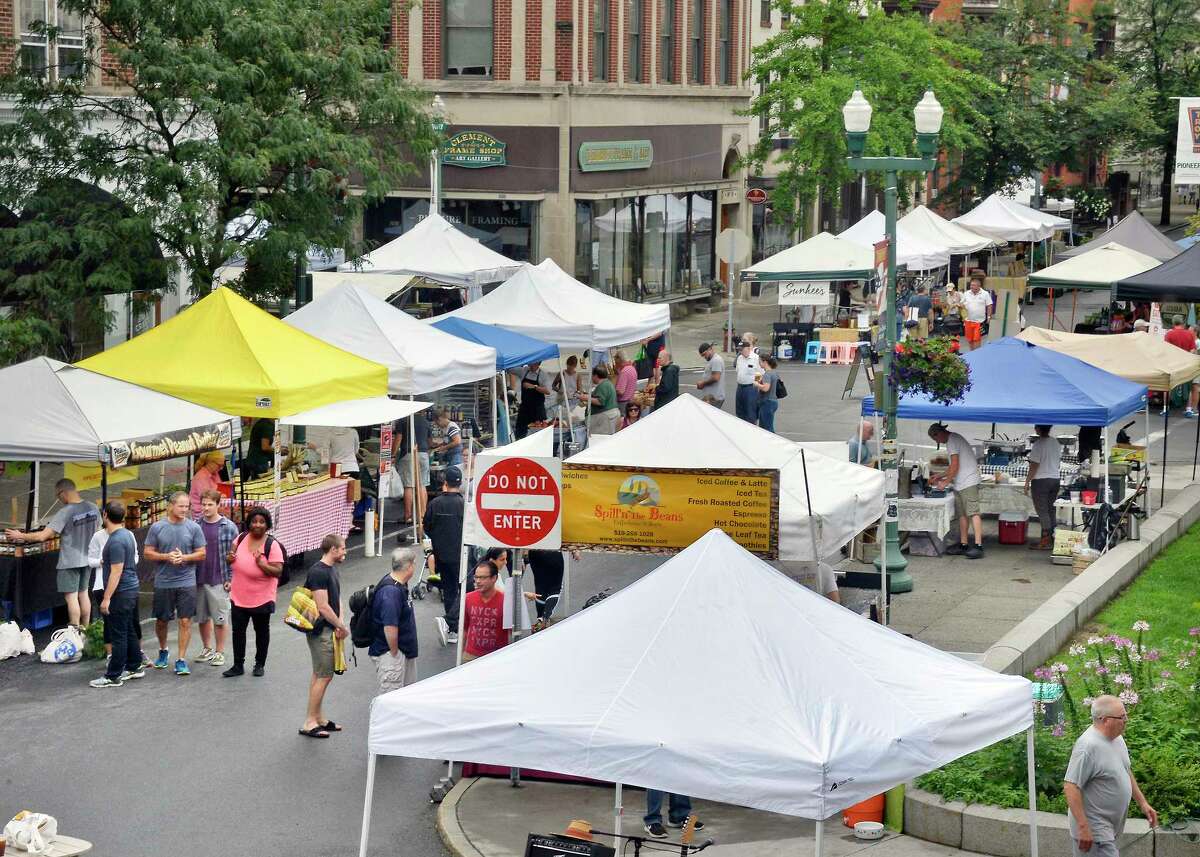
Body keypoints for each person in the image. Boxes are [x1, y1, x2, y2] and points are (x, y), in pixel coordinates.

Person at [1064, 695, 1157, 857]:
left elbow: (1125, 770)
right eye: (1122, 717)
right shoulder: (1087, 747)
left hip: (1110, 827)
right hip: (1094, 829)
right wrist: (1083, 827)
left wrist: (1143, 803)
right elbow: (1070, 786)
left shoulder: (1117, 739)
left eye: (1125, 714)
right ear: (1105, 720)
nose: (1126, 719)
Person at [5, 478, 99, 630]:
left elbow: (42, 536)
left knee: (72, 597)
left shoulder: (66, 512)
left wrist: (20, 535)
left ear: (63, 493)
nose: (59, 499)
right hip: (87, 558)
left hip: (69, 562)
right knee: (84, 593)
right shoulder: (93, 507)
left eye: (58, 496)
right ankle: (86, 630)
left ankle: (74, 632)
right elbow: (98, 531)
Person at [145, 491, 206, 674]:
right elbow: (148, 552)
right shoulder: (157, 527)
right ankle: (163, 650)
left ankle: (181, 659)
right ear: (170, 506)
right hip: (164, 582)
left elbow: (202, 553)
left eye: (187, 506)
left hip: (187, 581)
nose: (184, 510)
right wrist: (166, 557)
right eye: (181, 506)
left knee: (185, 621)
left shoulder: (194, 528)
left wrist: (184, 558)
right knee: (162, 620)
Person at [222, 506, 285, 677]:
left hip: (262, 597)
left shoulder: (272, 545)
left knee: (261, 630)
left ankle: (259, 664)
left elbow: (278, 571)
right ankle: (238, 665)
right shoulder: (241, 538)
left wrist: (262, 565)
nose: (257, 525)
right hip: (239, 595)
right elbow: (230, 556)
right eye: (254, 521)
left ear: (267, 525)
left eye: (261, 522)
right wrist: (229, 558)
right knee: (238, 631)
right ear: (249, 523)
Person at [89, 501, 145, 688]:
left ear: (105, 515)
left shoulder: (116, 540)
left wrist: (106, 598)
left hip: (120, 593)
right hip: (130, 590)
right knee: (128, 629)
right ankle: (135, 666)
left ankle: (113, 675)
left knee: (118, 634)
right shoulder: (127, 535)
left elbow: (116, 571)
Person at [299, 534, 349, 738]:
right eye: (343, 548)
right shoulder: (318, 572)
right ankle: (310, 721)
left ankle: (318, 717)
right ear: (333, 549)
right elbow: (323, 607)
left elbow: (337, 600)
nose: (345, 551)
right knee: (324, 675)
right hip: (321, 632)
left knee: (319, 674)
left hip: (330, 628)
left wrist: (340, 622)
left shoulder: (331, 570)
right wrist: (341, 626)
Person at [193, 490, 239, 667]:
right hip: (199, 578)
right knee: (202, 617)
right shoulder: (196, 525)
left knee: (220, 617)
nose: (206, 508)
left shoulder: (228, 527)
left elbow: (234, 555)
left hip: (219, 578)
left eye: (210, 504)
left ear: (218, 505)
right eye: (203, 504)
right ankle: (207, 648)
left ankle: (220, 651)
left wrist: (231, 577)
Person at [927, 423, 984, 559]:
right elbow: (954, 467)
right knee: (962, 515)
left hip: (968, 481)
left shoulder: (952, 441)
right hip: (961, 482)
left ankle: (978, 546)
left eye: (935, 439)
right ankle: (963, 544)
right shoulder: (953, 439)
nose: (937, 442)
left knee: (973, 512)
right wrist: (940, 476)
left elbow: (955, 465)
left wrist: (945, 482)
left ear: (938, 434)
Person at [423, 465, 465, 645]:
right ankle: (452, 622)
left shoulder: (435, 503)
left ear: (445, 483)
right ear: (460, 483)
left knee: (448, 590)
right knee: (465, 589)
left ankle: (452, 629)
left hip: (442, 554)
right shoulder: (464, 505)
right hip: (461, 554)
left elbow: (427, 527)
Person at [369, 547, 419, 693]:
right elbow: (389, 627)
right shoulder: (390, 592)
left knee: (406, 696)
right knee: (391, 698)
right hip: (392, 657)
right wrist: (395, 653)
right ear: (409, 566)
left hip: (403, 653)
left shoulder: (399, 584)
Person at [461, 559, 510, 662]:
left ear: (494, 578)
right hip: (471, 656)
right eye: (476, 577)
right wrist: (461, 655)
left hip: (497, 657)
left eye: (483, 578)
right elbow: (464, 629)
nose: (478, 581)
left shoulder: (506, 601)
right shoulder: (468, 598)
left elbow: (511, 633)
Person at [1025, 425, 1062, 551]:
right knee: (1051, 510)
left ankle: (1046, 540)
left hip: (1041, 480)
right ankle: (1053, 538)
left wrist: (1027, 482)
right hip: (1055, 479)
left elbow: (1034, 465)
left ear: (1038, 429)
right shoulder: (1055, 442)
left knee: (1042, 511)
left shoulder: (1038, 444)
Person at [396, 412, 431, 529]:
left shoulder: (403, 420)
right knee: (422, 485)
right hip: (424, 454)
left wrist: (392, 454)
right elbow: (430, 441)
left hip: (409, 453)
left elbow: (398, 438)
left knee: (409, 485)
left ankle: (408, 515)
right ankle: (422, 515)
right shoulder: (425, 421)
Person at [1163, 316, 1199, 418]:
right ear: (1183, 323)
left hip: (1172, 364)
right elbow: (1193, 351)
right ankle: (1188, 410)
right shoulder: (1189, 334)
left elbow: (1166, 350)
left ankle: (1166, 409)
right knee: (1189, 386)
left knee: (1168, 385)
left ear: (1173, 322)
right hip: (1186, 364)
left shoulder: (1169, 334)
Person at [515, 361, 551, 439]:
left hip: (537, 410)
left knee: (537, 435)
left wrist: (534, 386)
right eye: (529, 363)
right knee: (520, 432)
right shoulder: (524, 371)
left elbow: (548, 391)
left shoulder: (543, 375)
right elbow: (509, 369)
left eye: (532, 364)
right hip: (524, 408)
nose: (530, 365)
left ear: (538, 364)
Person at [189, 451, 225, 519]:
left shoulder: (215, 474)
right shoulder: (200, 477)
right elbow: (208, 498)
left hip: (213, 508)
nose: (221, 468)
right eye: (219, 465)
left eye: (222, 465)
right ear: (210, 463)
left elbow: (220, 489)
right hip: (202, 514)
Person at [961, 276, 993, 351]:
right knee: (970, 340)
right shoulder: (966, 293)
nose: (972, 287)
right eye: (971, 285)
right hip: (968, 321)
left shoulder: (985, 294)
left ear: (979, 286)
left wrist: (989, 317)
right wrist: (960, 305)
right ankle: (972, 354)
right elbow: (961, 303)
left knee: (977, 340)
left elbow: (989, 305)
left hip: (979, 322)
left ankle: (976, 355)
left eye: (974, 285)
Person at [734, 339, 762, 424]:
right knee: (739, 411)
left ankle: (752, 431)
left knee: (750, 412)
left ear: (749, 348)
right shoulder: (739, 358)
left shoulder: (756, 358)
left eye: (742, 349)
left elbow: (760, 373)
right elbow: (738, 371)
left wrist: (756, 383)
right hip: (740, 387)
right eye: (739, 349)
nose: (741, 351)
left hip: (750, 388)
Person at [588, 366, 621, 436]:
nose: (591, 378)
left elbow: (600, 401)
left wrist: (586, 398)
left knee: (601, 439)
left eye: (592, 376)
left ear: (595, 376)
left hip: (605, 417)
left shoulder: (604, 385)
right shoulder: (608, 383)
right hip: (611, 416)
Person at [755, 355, 781, 432]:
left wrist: (756, 384)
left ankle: (771, 442)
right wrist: (758, 380)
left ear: (765, 362)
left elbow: (766, 388)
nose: (759, 363)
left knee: (766, 428)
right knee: (767, 425)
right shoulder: (774, 373)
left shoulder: (767, 374)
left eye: (760, 362)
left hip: (767, 402)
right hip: (773, 401)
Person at [696, 342, 726, 409]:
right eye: (702, 356)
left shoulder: (716, 360)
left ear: (710, 349)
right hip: (711, 398)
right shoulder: (712, 360)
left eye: (704, 354)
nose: (704, 357)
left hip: (714, 398)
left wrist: (703, 383)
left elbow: (716, 377)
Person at [613, 350, 639, 415]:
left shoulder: (624, 372)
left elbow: (620, 391)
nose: (615, 364)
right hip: (630, 399)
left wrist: (612, 391)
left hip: (623, 403)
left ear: (619, 361)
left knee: (624, 422)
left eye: (616, 362)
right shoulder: (632, 368)